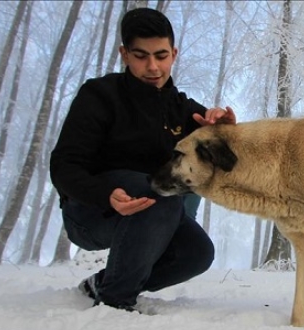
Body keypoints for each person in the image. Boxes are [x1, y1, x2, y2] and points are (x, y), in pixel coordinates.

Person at [50, 7, 236, 312]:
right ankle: (115, 303)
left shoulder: (185, 111)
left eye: (161, 56)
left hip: (152, 216)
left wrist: (223, 130)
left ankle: (105, 282)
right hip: (91, 213)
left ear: (174, 53)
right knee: (158, 190)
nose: (152, 67)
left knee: (196, 252)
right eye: (141, 56)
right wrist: (104, 195)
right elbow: (63, 166)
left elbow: (227, 156)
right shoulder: (99, 95)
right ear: (124, 54)